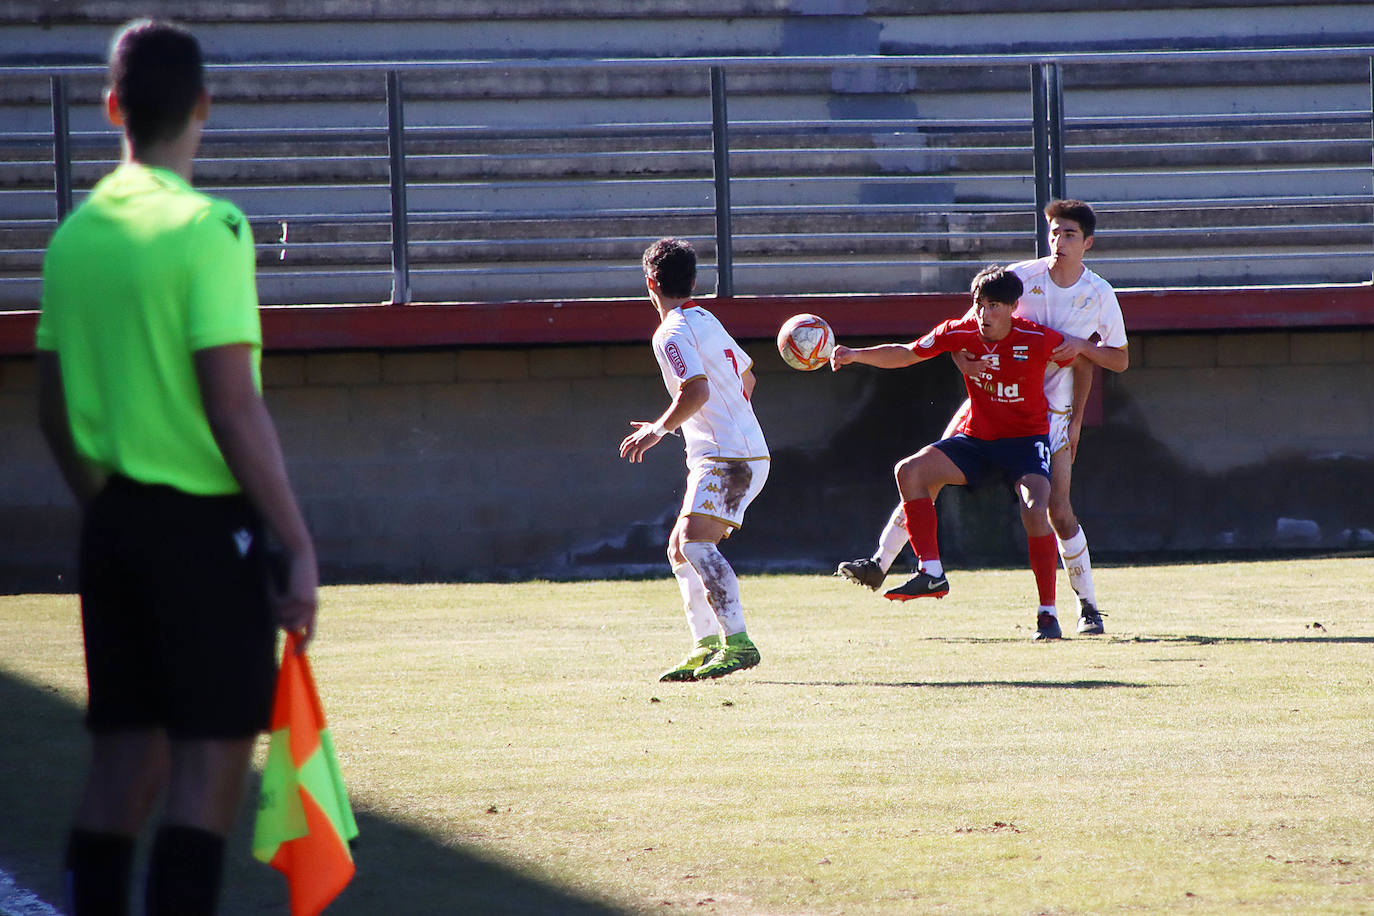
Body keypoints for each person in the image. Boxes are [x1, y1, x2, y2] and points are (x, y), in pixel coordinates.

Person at [35, 20, 318, 915]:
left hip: (113, 527)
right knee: (207, 767)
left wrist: (111, 504)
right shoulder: (211, 227)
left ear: (112, 106)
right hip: (206, 532)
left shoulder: (73, 237)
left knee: (122, 761)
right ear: (203, 105)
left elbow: (50, 409)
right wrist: (295, 541)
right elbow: (232, 402)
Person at [837, 199, 1129, 637]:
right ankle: (885, 563)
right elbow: (967, 326)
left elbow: (1110, 360)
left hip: (1045, 415)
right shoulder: (1020, 280)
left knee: (1057, 510)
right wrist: (958, 358)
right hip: (989, 402)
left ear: (1087, 242)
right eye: (1053, 233)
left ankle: (1083, 605)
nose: (1058, 241)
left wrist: (1076, 411)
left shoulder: (1098, 295)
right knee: (919, 473)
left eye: (1069, 234)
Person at [830, 266, 1078, 639]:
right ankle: (931, 571)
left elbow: (1081, 359)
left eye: (994, 305)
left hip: (1025, 444)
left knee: (1034, 508)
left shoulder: (1038, 338)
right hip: (977, 441)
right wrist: (853, 354)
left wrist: (1075, 419)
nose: (984, 314)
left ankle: (1047, 613)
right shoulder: (958, 333)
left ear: (1013, 307)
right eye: (979, 304)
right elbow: (906, 353)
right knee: (909, 471)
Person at [620, 238, 770, 681]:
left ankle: (739, 643)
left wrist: (657, 429)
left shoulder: (669, 332)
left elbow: (697, 390)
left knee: (695, 543)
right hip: (732, 451)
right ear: (695, 282)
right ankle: (706, 645)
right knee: (680, 548)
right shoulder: (705, 318)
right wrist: (732, 421)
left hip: (728, 457)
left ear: (650, 283)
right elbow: (748, 378)